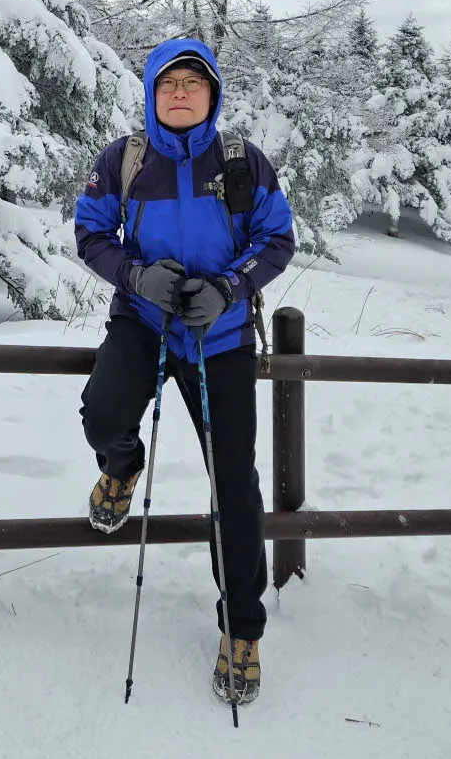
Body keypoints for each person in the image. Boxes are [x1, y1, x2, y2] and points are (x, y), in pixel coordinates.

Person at [74, 36, 295, 705]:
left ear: (211, 94)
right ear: (150, 92)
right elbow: (90, 233)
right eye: (167, 83)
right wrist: (136, 276)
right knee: (103, 413)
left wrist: (230, 287)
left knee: (234, 484)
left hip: (220, 339)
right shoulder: (125, 160)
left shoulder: (241, 162)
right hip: (145, 323)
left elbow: (277, 238)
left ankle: (243, 628)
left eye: (192, 84)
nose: (179, 93)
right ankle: (121, 464)